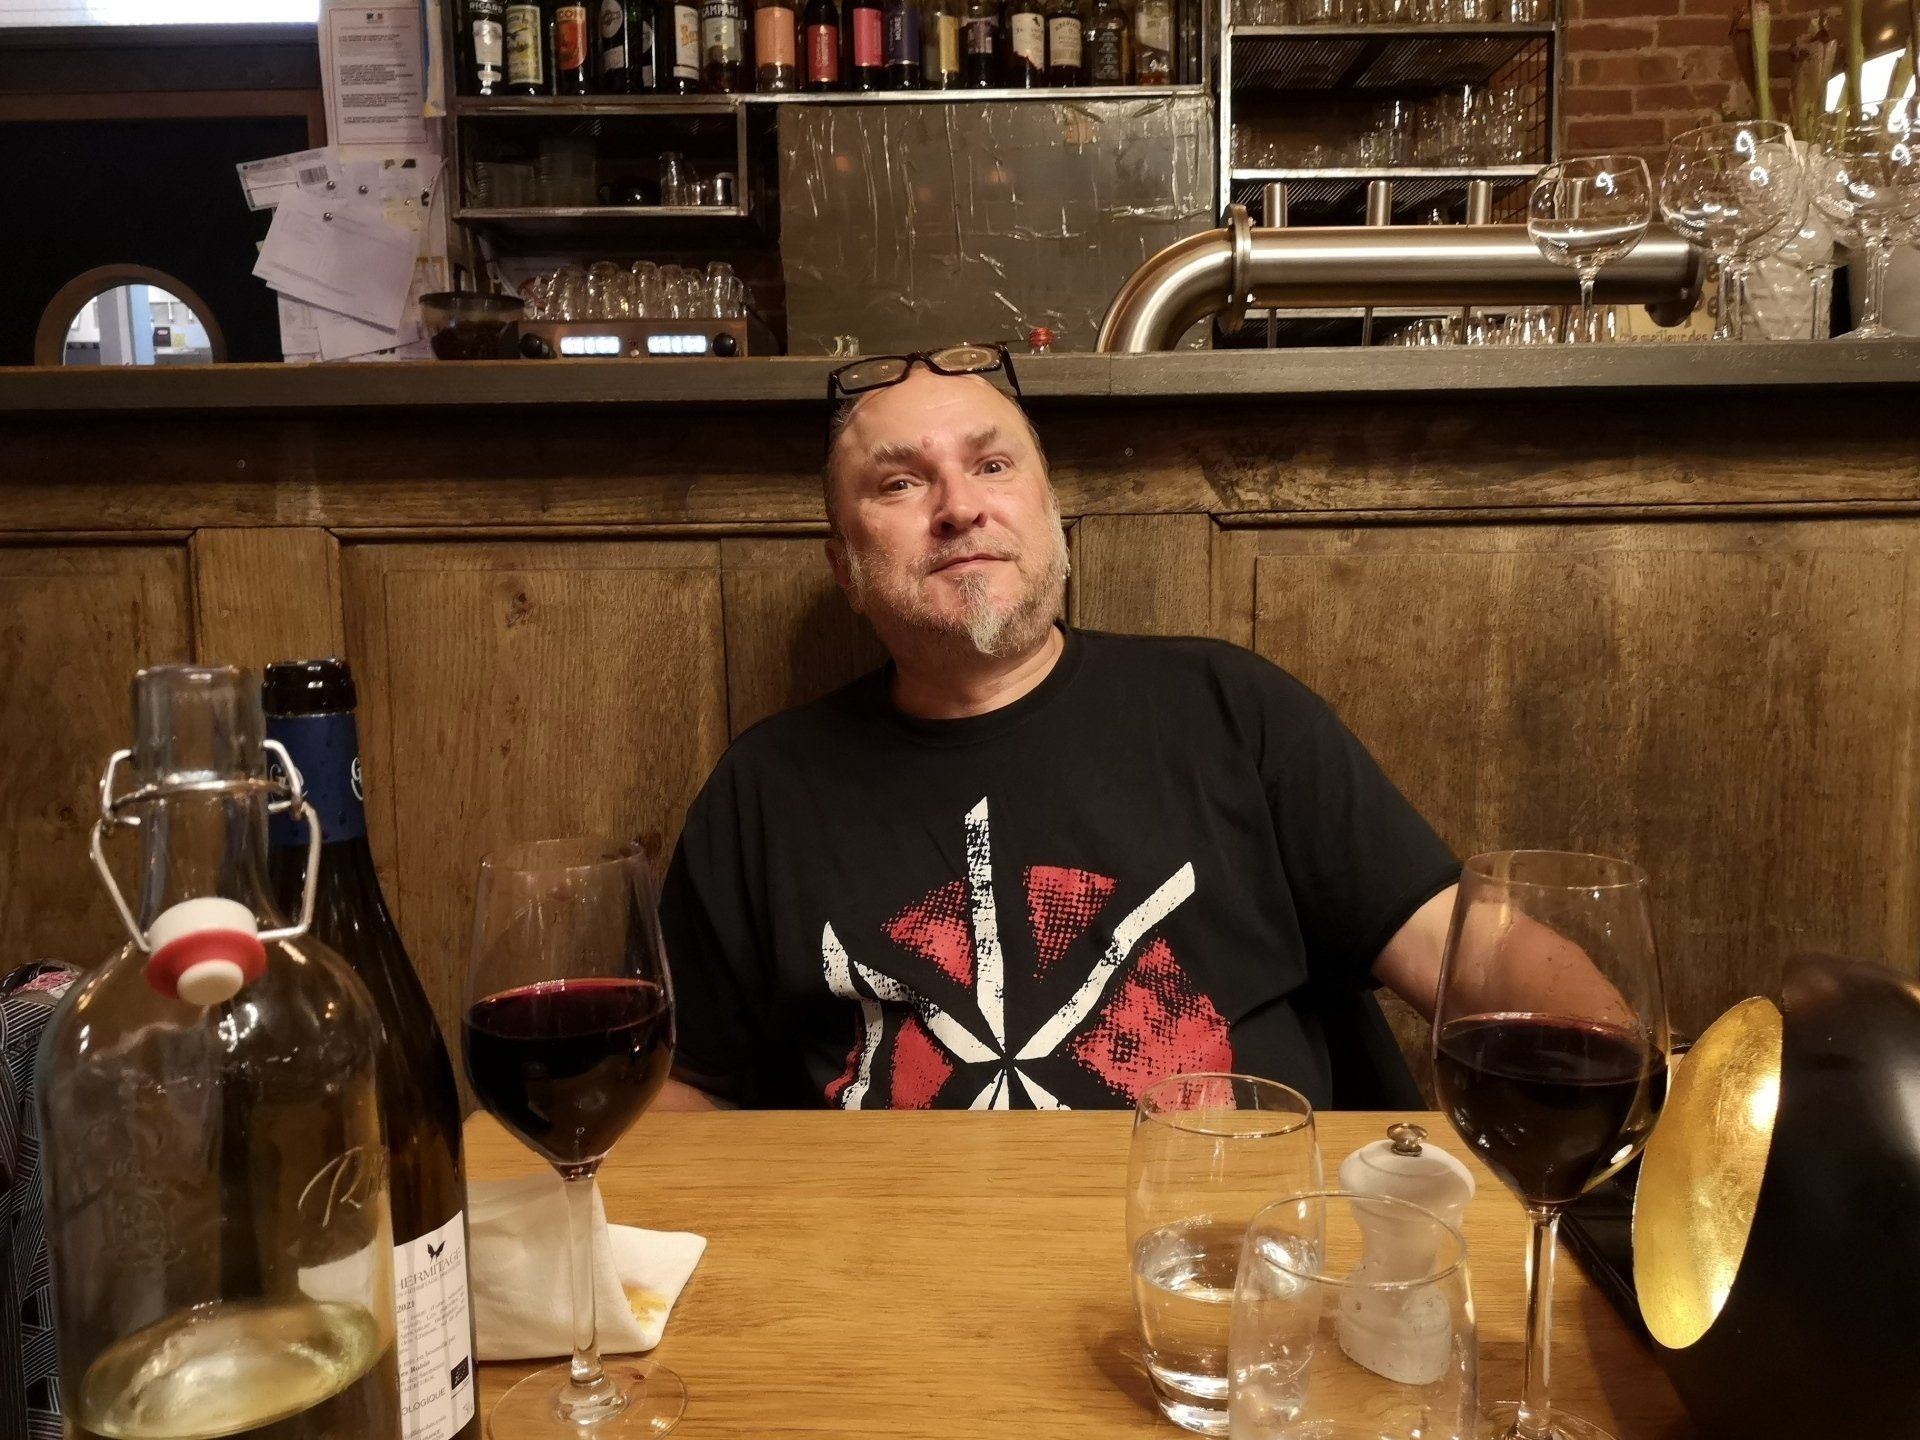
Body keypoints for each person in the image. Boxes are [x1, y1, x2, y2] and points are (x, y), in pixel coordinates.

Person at [656, 344, 1459, 1112]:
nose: (960, 507)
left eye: (992, 466)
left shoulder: (1232, 707)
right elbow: (681, 1088)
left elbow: (1463, 962)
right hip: (884, 1211)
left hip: (1228, 1202)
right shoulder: (763, 790)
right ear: (846, 572)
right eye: (900, 483)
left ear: (1053, 518)